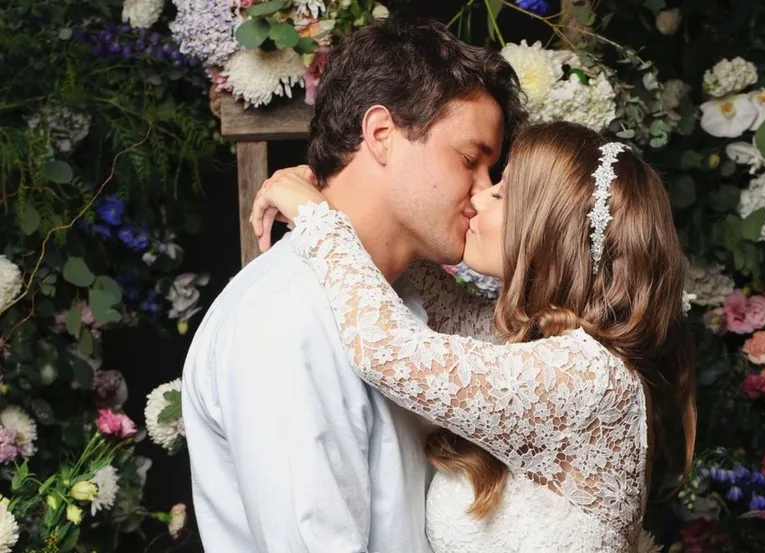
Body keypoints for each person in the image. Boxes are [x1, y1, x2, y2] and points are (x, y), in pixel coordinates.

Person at [249, 121, 697, 552]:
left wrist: (317, 217)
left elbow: (388, 351)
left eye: (502, 192)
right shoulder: (532, 343)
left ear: (548, 232)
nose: (481, 197)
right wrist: (345, 198)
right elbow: (414, 270)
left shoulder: (590, 378)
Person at [181, 17, 525, 553]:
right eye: (470, 160)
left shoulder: (407, 302)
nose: (484, 194)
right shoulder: (287, 313)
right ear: (382, 134)